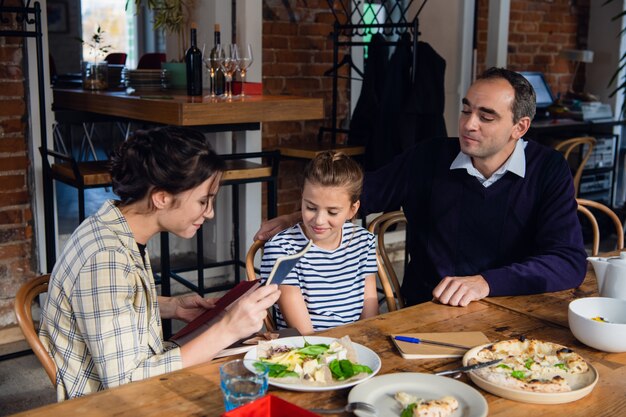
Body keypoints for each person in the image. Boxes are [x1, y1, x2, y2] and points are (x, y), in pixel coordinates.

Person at [255, 67, 587, 308]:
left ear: (520, 127)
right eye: (466, 109)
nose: (469, 124)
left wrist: (487, 282)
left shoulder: (548, 169)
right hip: (429, 310)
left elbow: (569, 261)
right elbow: (356, 194)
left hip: (513, 311)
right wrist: (294, 217)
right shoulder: (429, 156)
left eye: (486, 117)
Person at [39, 127, 281, 401]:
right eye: (203, 201)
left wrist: (170, 306)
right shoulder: (105, 259)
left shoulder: (113, 226)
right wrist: (226, 330)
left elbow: (109, 303)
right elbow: (127, 383)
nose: (210, 213)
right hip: (112, 404)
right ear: (162, 198)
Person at [259, 151, 379, 334]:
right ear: (302, 197)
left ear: (352, 209)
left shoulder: (364, 242)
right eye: (311, 207)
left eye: (332, 212)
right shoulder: (282, 247)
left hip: (356, 345)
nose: (319, 220)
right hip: (307, 352)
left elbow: (369, 318)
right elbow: (304, 334)